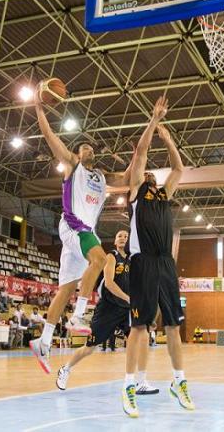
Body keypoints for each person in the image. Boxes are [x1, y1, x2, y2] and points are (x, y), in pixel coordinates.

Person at [29, 85, 136, 374]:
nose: (87, 147)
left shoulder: (101, 177)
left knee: (64, 289)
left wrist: (141, 148)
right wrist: (39, 108)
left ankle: (44, 340)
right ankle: (78, 316)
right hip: (74, 226)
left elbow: (128, 177)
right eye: (82, 146)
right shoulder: (72, 166)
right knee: (101, 259)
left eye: (90, 146)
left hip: (80, 236)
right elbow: (51, 138)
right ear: (77, 153)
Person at [122, 98, 194, 418]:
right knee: (140, 327)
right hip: (144, 262)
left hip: (166, 262)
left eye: (153, 172)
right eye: (147, 172)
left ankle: (179, 382)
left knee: (174, 325)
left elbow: (179, 168)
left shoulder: (164, 194)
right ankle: (129, 386)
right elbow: (140, 153)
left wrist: (170, 141)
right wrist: (154, 122)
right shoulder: (136, 191)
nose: (150, 173)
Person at [57, 230, 158, 396]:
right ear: (115, 241)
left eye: (126, 236)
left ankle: (140, 381)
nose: (123, 239)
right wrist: (129, 299)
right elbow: (109, 284)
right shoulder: (111, 256)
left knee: (141, 339)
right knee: (89, 347)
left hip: (126, 310)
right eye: (119, 236)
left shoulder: (133, 261)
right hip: (108, 308)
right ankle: (66, 369)